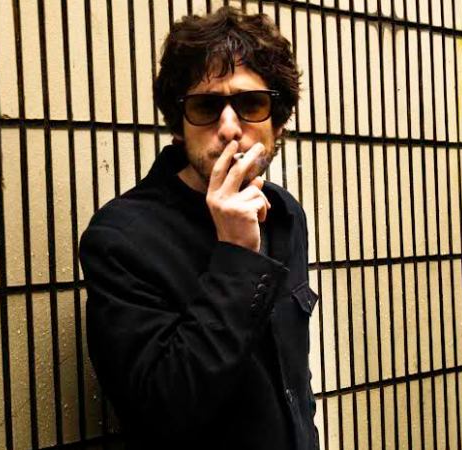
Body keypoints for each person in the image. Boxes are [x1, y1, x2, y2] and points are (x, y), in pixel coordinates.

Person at [79, 6, 319, 450]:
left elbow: (292, 386)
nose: (229, 128)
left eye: (251, 104)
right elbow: (163, 411)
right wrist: (236, 255)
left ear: (278, 121)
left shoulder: (283, 213)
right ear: (179, 124)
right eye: (206, 106)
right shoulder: (122, 239)